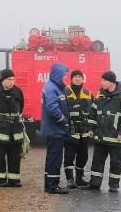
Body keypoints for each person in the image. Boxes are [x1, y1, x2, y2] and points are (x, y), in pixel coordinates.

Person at [89, 71, 121, 191]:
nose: (101, 82)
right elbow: (93, 113)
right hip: (101, 137)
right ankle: (95, 183)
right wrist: (91, 128)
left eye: (103, 80)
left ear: (111, 82)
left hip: (116, 138)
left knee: (115, 163)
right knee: (97, 162)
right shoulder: (100, 96)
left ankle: (113, 185)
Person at [0, 69, 26, 187]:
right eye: (9, 80)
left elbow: (21, 108)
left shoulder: (18, 92)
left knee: (15, 156)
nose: (12, 82)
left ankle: (14, 180)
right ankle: (0, 180)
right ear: (2, 80)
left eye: (13, 79)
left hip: (15, 130)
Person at [39, 62, 71, 194]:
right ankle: (52, 186)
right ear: (58, 75)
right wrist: (63, 120)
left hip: (54, 129)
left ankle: (50, 183)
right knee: (55, 158)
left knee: (52, 157)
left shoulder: (55, 86)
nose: (66, 77)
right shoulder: (52, 88)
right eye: (65, 75)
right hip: (55, 130)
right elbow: (52, 107)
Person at [64, 69, 96, 187]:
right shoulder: (65, 92)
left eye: (80, 76)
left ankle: (79, 178)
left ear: (83, 79)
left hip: (84, 131)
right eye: (75, 76)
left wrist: (91, 128)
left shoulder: (88, 93)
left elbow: (93, 111)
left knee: (83, 156)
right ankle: (69, 179)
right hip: (70, 130)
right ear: (71, 79)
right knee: (69, 156)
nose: (78, 78)